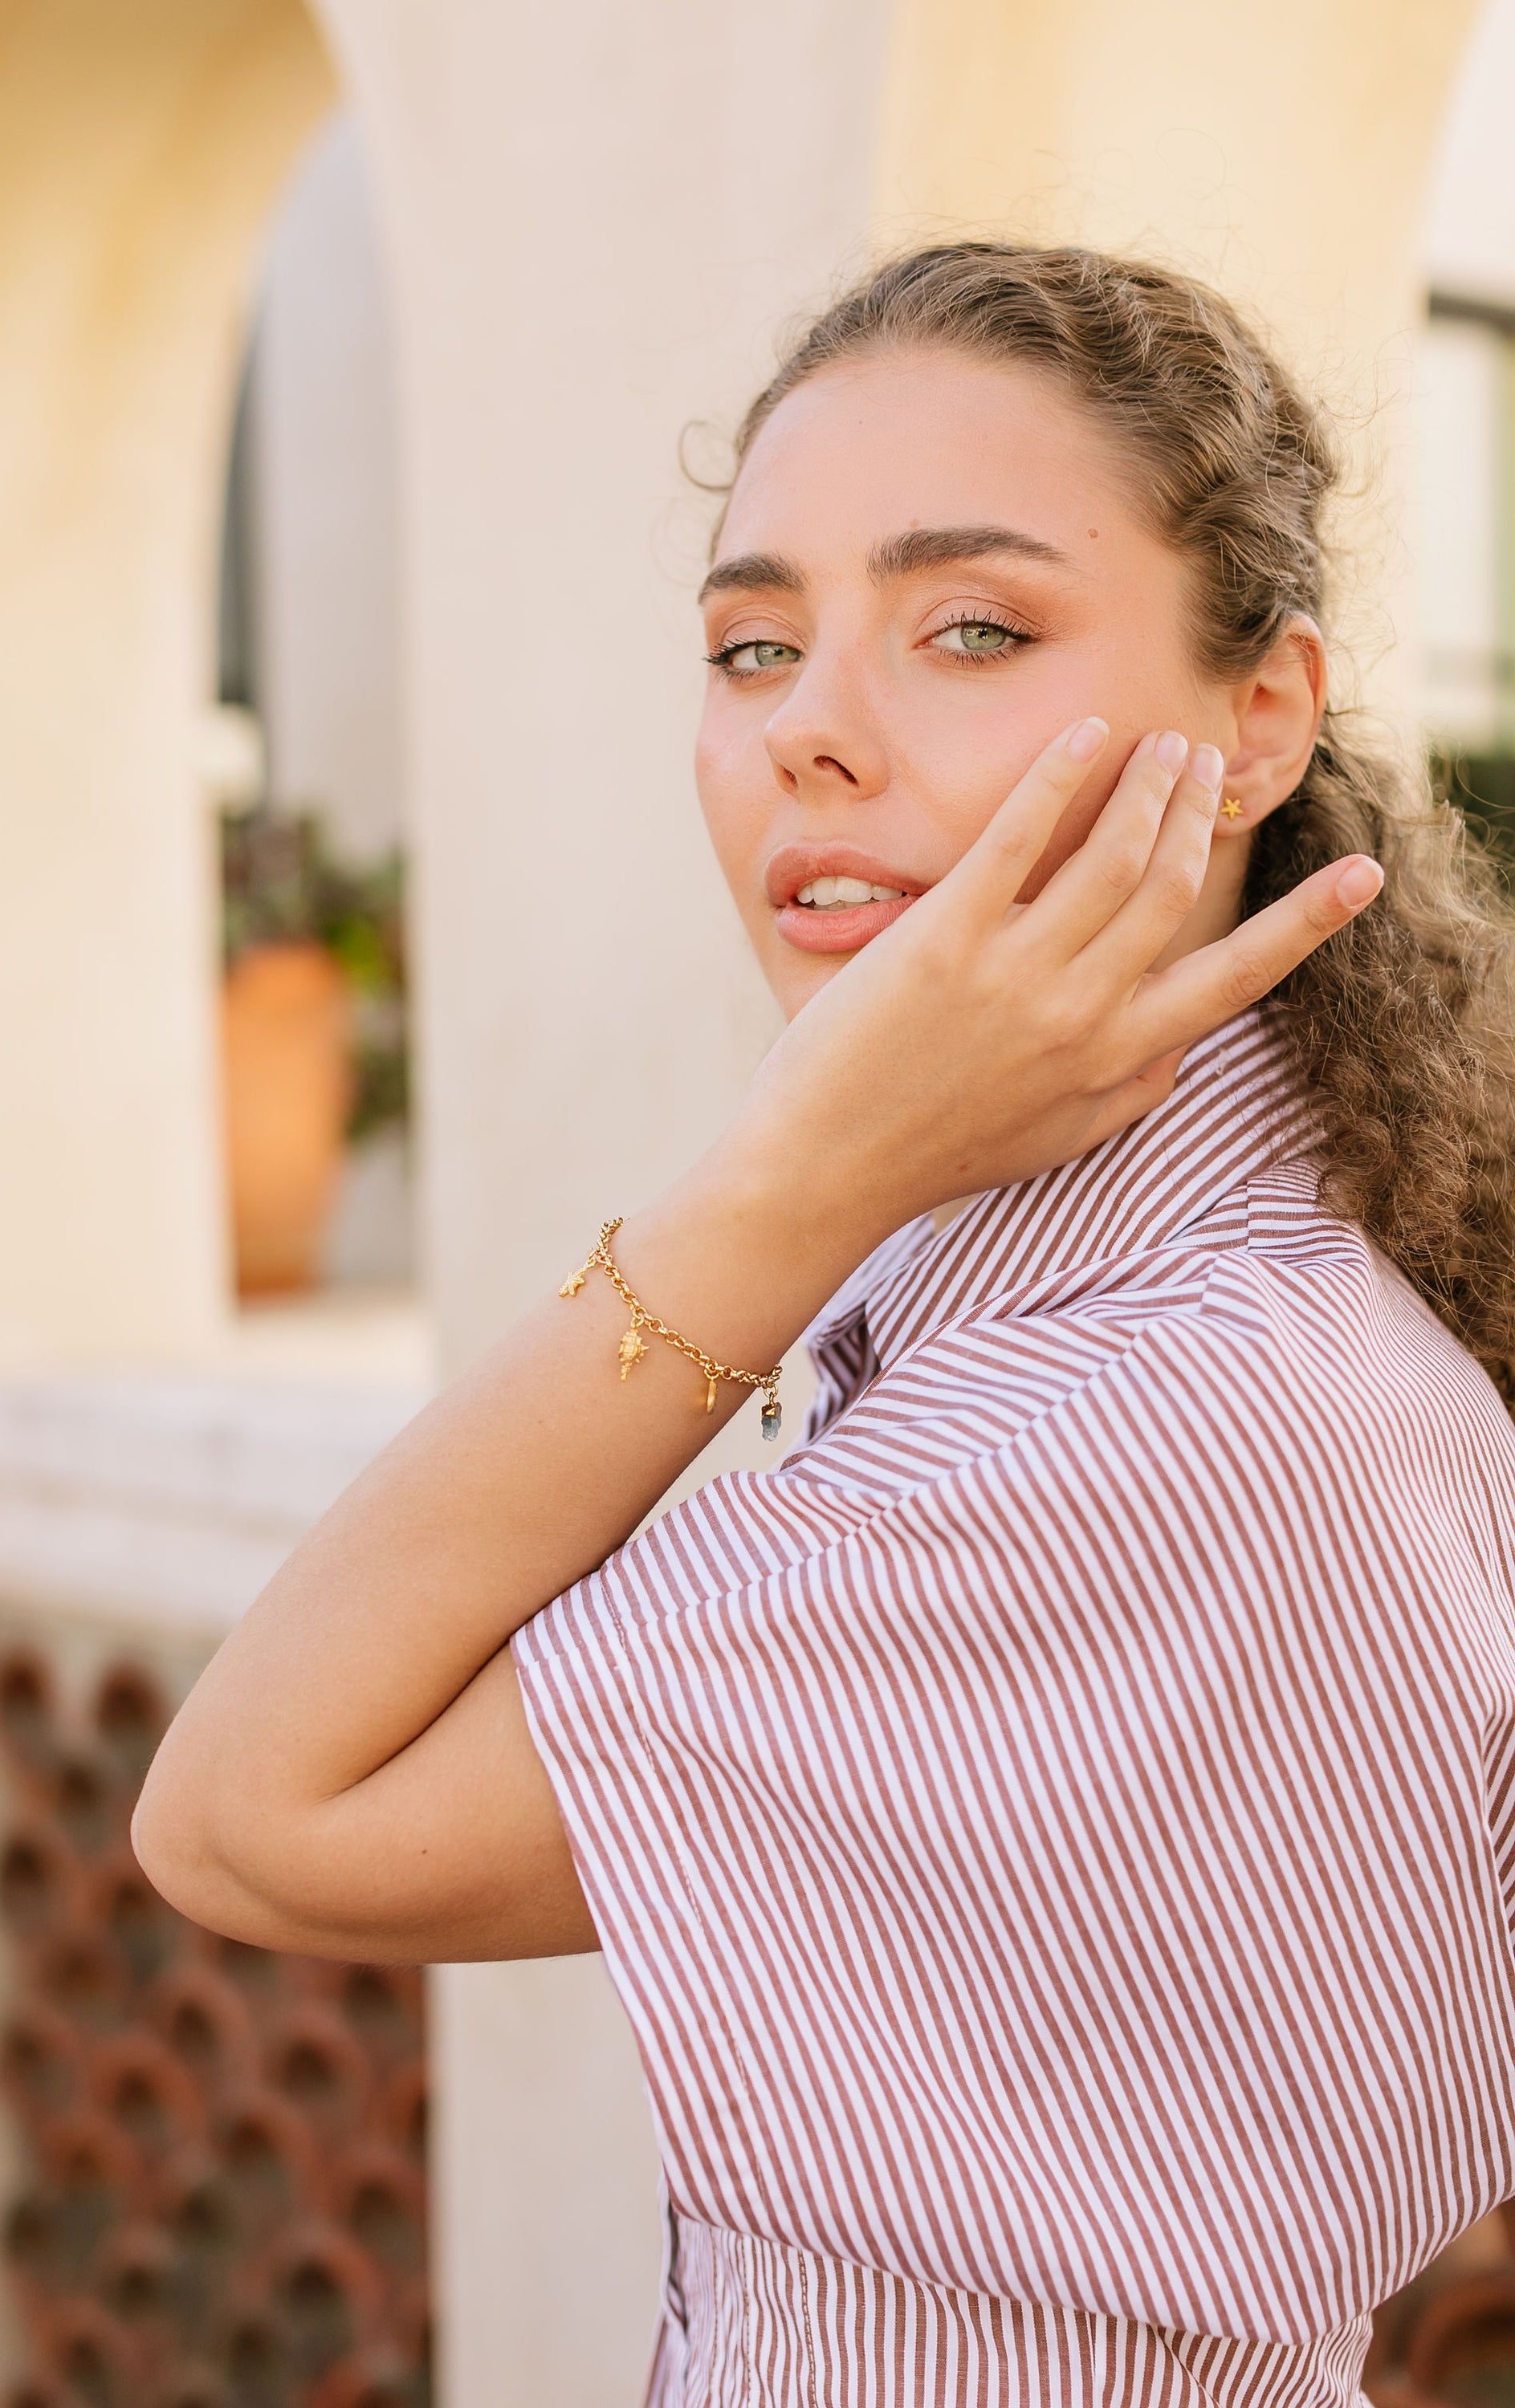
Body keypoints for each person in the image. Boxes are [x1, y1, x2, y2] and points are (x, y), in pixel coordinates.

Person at [133, 246, 1515, 2408]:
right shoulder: (1147, 1303)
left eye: (972, 629)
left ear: (1261, 718)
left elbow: (245, 1817)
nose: (808, 730)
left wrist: (785, 1180)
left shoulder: (1154, 1414)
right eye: (753, 646)